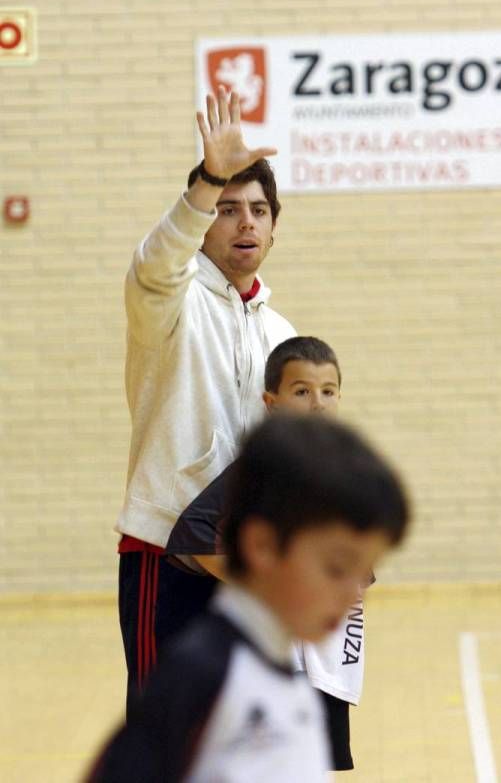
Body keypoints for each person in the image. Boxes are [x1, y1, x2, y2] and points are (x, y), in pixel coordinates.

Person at [86, 414, 412, 783]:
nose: (354, 593)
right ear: (262, 546)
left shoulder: (292, 686)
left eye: (365, 572)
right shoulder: (200, 680)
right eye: (337, 569)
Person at [117, 86, 296, 717]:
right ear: (202, 223)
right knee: (165, 741)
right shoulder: (169, 299)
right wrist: (206, 179)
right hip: (167, 553)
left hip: (248, 565)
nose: (245, 221)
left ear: (274, 227)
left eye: (257, 210)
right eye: (226, 208)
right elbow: (154, 263)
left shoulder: (282, 335)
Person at [165, 336, 365, 771]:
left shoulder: (342, 472)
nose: (317, 403)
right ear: (271, 403)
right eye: (302, 391)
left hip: (327, 652)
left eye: (328, 391)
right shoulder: (264, 471)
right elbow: (192, 533)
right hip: (275, 659)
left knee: (318, 765)